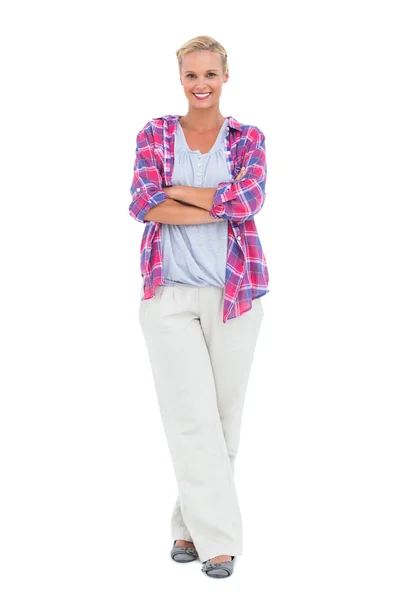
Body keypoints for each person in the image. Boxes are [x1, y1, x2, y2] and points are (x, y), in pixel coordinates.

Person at [128, 35, 270, 578]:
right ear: (180, 79)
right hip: (168, 295)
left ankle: (188, 527)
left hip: (235, 294)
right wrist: (216, 202)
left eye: (210, 74)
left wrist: (177, 192)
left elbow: (249, 199)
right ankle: (219, 545)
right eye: (192, 76)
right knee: (191, 420)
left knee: (222, 423)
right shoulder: (156, 133)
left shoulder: (248, 137)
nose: (201, 85)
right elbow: (143, 200)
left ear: (225, 77)